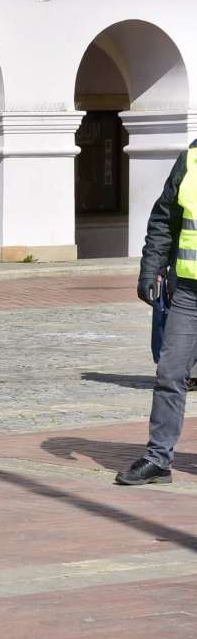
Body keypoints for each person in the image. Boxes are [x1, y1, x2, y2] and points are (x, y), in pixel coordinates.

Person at [123, 138, 197, 486]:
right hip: (188, 292)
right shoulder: (191, 158)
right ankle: (158, 459)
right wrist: (150, 268)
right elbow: (165, 219)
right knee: (170, 373)